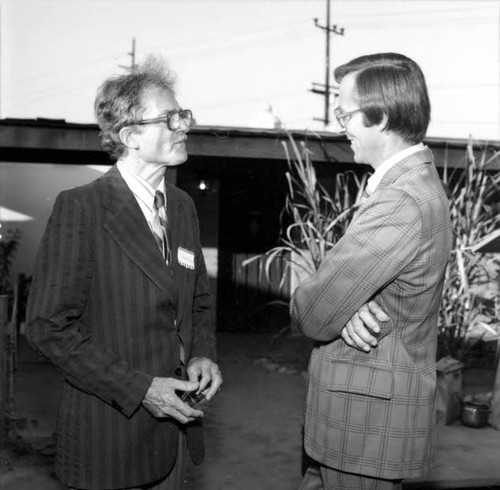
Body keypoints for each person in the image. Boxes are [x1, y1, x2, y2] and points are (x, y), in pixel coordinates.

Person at [26, 56, 222, 490]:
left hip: (174, 442)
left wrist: (202, 353)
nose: (184, 125)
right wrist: (140, 388)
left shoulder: (184, 207)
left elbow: (198, 302)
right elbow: (46, 327)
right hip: (110, 439)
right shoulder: (82, 207)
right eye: (170, 118)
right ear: (131, 135)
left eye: (183, 115)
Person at [292, 52, 452, 489]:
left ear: (379, 117)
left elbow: (313, 312)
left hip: (363, 431)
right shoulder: (412, 185)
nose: (340, 125)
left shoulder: (401, 198)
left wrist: (335, 306)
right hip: (358, 426)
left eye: (345, 113)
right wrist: (348, 304)